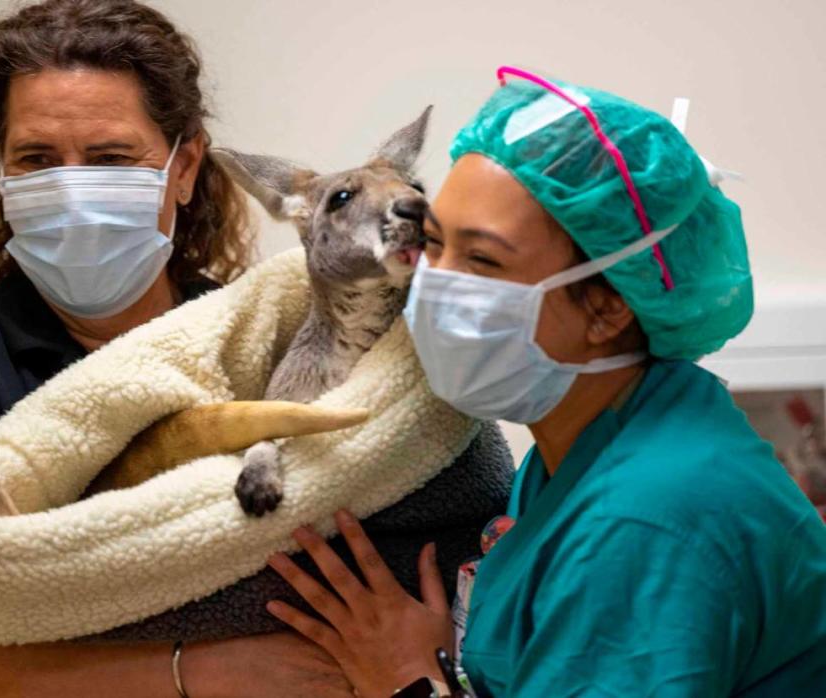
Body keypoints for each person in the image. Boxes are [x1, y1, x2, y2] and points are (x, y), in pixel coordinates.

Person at [265, 67, 826, 697]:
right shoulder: (598, 437)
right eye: (436, 244)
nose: (433, 282)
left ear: (609, 305)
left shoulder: (646, 522)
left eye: (482, 261)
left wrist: (413, 683)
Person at [0, 1, 355, 695]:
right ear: (5, 173)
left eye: (108, 159)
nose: (72, 191)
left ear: (184, 166)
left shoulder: (256, 333)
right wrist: (203, 671)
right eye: (37, 160)